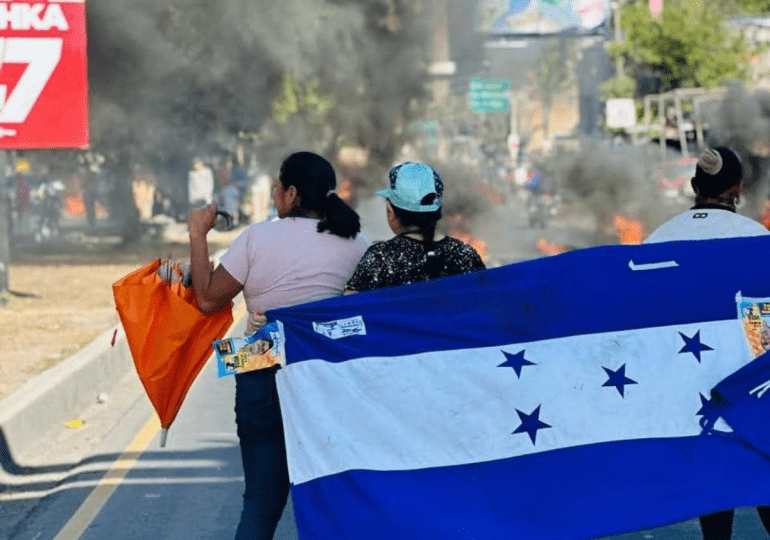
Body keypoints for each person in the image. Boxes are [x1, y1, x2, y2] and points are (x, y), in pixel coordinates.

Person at [187, 151, 370, 540]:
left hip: (259, 366)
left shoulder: (257, 237)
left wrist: (197, 235)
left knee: (261, 500)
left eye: (276, 187)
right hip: (328, 377)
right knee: (331, 497)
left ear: (290, 193)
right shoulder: (358, 243)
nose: (273, 194)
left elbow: (206, 299)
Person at [644, 146, 770, 540]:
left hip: (690, 385)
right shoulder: (757, 239)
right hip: (750, 383)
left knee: (713, 485)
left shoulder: (659, 239)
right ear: (736, 188)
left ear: (695, 186)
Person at [345, 161, 485, 293]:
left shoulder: (379, 257)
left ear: (391, 212)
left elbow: (348, 308)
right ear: (437, 212)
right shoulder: (465, 255)